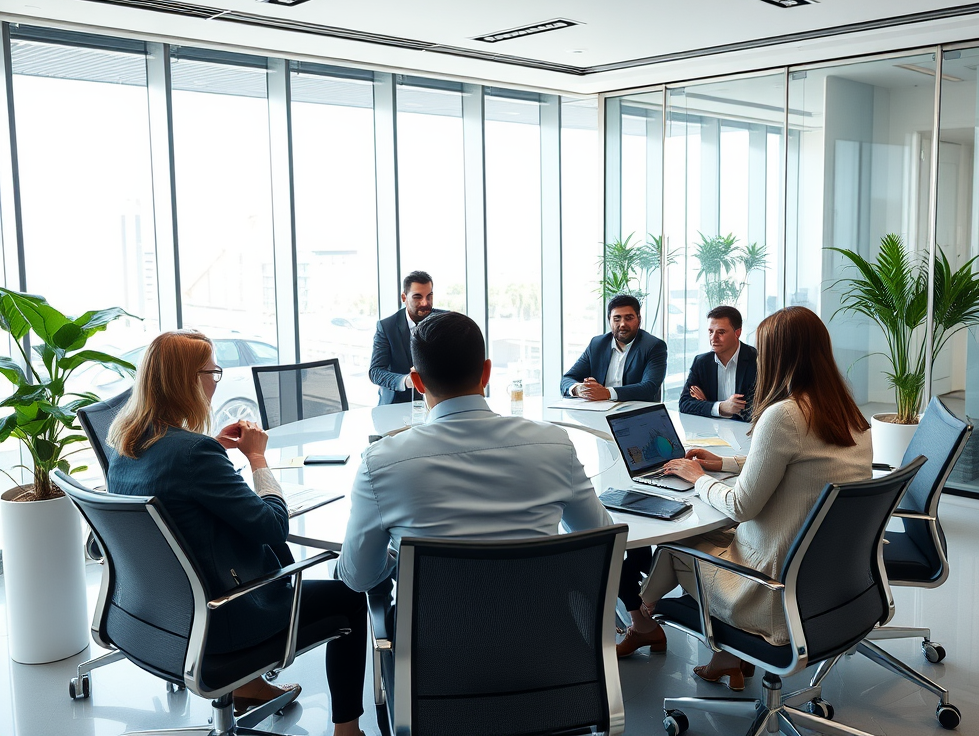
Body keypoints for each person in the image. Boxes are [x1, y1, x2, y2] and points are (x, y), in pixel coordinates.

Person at [106, 331, 366, 736]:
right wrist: (258, 460)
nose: (215, 380)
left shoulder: (125, 447)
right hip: (221, 620)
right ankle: (348, 730)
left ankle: (247, 684)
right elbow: (275, 527)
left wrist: (209, 448)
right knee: (349, 594)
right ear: (189, 380)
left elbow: (173, 484)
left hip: (154, 619)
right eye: (213, 372)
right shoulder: (195, 455)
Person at [616, 307, 871, 689]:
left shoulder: (784, 415)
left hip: (770, 591)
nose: (760, 359)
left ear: (781, 358)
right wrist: (724, 461)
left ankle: (644, 615)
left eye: (766, 352)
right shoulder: (849, 412)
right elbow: (794, 461)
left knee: (676, 541)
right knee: (708, 534)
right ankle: (723, 656)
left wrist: (699, 476)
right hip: (827, 579)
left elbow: (741, 506)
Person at [339, 312, 613, 593]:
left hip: (434, 636)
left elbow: (358, 578)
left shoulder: (380, 463)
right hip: (545, 630)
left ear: (417, 382)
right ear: (486, 373)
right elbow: (602, 542)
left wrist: (402, 559)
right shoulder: (555, 445)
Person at [560, 295, 668, 403]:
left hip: (636, 414)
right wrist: (579, 389)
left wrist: (607, 393)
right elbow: (567, 379)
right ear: (609, 320)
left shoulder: (654, 346)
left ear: (639, 320)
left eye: (629, 318)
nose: (622, 324)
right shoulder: (597, 344)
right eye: (617, 318)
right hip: (599, 411)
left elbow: (649, 387)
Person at [368, 270, 445, 405]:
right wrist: (406, 381)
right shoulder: (386, 327)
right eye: (417, 297)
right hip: (396, 403)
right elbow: (375, 372)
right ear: (404, 298)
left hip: (439, 403)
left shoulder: (445, 321)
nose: (425, 303)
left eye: (429, 296)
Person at [678, 305, 757, 422]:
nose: (713, 338)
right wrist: (720, 407)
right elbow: (685, 404)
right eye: (710, 332)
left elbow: (756, 409)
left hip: (746, 434)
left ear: (738, 333)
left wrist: (706, 404)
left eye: (721, 332)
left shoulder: (755, 359)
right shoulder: (701, 363)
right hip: (711, 433)